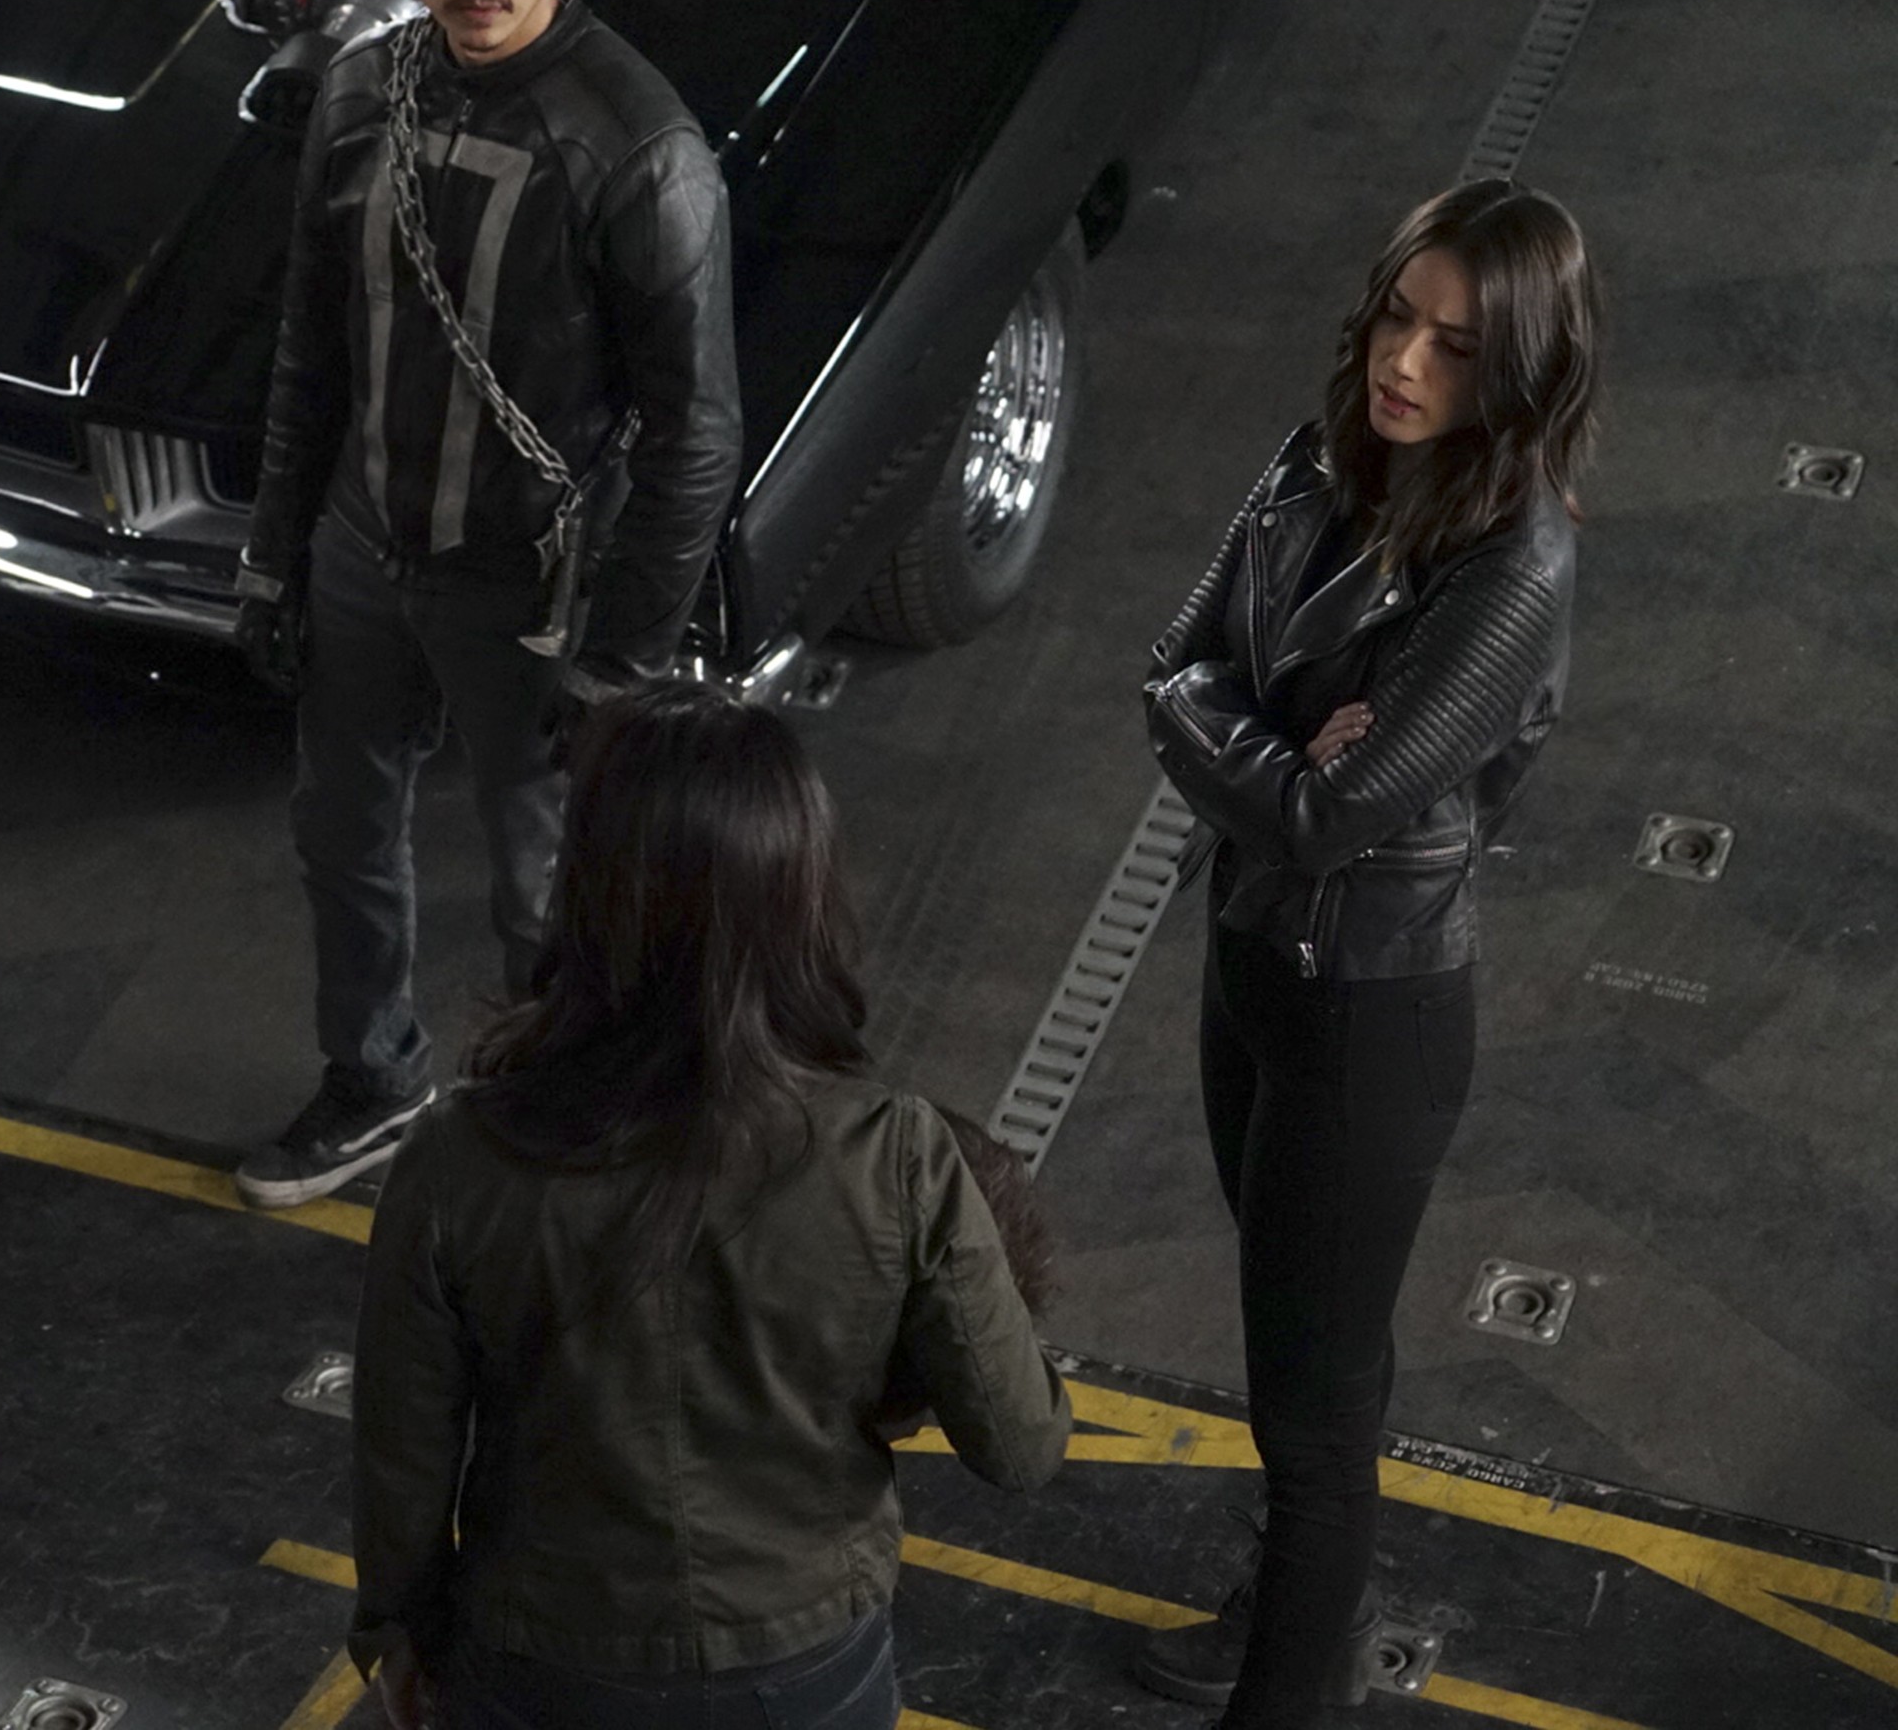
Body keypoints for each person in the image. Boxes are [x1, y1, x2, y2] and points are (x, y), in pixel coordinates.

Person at [350, 684, 1072, 1729]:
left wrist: (396, 1631)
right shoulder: (897, 1152)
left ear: (588, 889)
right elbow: (1021, 1445)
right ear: (802, 891)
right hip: (805, 1667)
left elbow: (403, 1458)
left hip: (544, 1664)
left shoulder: (457, 1157)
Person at [229, 0, 743, 1209]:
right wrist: (274, 557)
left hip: (532, 587)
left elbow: (699, 433)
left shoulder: (639, 146)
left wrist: (624, 660)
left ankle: (560, 1138)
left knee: (547, 888)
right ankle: (374, 1079)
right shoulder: (360, 93)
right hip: (360, 547)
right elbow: (311, 349)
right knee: (340, 833)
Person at [1137, 179, 1597, 1727]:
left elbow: (1335, 815)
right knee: (1312, 1358)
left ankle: (1293, 1691)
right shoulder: (1312, 462)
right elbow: (1169, 670)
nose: (1407, 362)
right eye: (1401, 317)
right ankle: (1296, 1614)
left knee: (1315, 1419)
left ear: (1519, 371)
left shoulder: (1513, 567)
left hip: (1371, 1015)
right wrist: (1281, 746)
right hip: (1252, 957)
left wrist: (1259, 745)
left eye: (1457, 347)